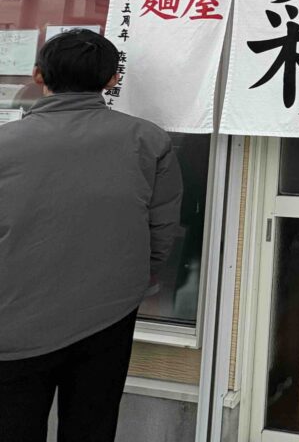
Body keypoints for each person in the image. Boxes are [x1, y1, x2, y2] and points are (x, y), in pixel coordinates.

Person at [0, 29, 183, 442]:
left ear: (37, 75)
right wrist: (137, 279)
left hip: (13, 319)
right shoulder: (148, 140)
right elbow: (161, 230)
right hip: (109, 312)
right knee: (92, 426)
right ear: (112, 79)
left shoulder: (5, 143)